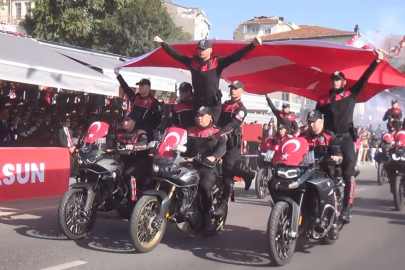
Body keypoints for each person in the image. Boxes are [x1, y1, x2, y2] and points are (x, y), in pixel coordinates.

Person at [315, 48, 384, 222]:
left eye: (338, 79)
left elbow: (365, 78)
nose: (335, 81)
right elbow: (315, 120)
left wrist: (376, 61)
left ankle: (346, 209)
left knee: (348, 175)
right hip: (329, 140)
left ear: (343, 82)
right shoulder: (322, 100)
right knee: (320, 172)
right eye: (333, 79)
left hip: (346, 139)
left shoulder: (351, 95)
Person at [154, 36, 263, 122]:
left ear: (210, 50)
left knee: (212, 133)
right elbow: (176, 54)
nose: (201, 51)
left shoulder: (217, 62)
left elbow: (235, 56)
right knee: (197, 131)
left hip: (213, 105)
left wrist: (252, 45)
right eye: (199, 49)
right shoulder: (193, 63)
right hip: (198, 104)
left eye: (204, 49)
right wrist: (162, 43)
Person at [212, 80, 255, 217]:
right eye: (231, 88)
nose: (233, 91)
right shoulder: (225, 105)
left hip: (232, 144)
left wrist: (220, 133)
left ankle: (223, 204)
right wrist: (216, 102)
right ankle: (247, 175)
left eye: (236, 89)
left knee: (227, 174)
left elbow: (233, 123)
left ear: (242, 90)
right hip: (220, 141)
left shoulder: (241, 108)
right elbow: (216, 119)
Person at [185, 106, 226, 234]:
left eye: (202, 116)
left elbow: (222, 147)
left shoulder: (216, 132)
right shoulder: (190, 131)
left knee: (204, 185)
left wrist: (213, 157)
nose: (199, 118)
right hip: (191, 165)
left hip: (208, 167)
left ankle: (207, 217)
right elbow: (181, 144)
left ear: (210, 117)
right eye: (198, 115)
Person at [113, 71, 162, 140]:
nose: (140, 87)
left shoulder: (154, 102)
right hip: (132, 131)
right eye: (139, 85)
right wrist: (118, 75)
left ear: (148, 88)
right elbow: (126, 89)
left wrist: (146, 131)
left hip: (145, 134)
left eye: (142, 85)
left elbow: (158, 121)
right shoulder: (136, 97)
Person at [115, 111, 150, 195]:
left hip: (135, 160)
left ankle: (133, 198)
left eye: (127, 120)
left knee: (128, 173)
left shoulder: (140, 132)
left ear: (134, 122)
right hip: (120, 160)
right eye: (124, 120)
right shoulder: (119, 133)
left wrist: (133, 146)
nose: (124, 122)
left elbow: (144, 144)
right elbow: (111, 142)